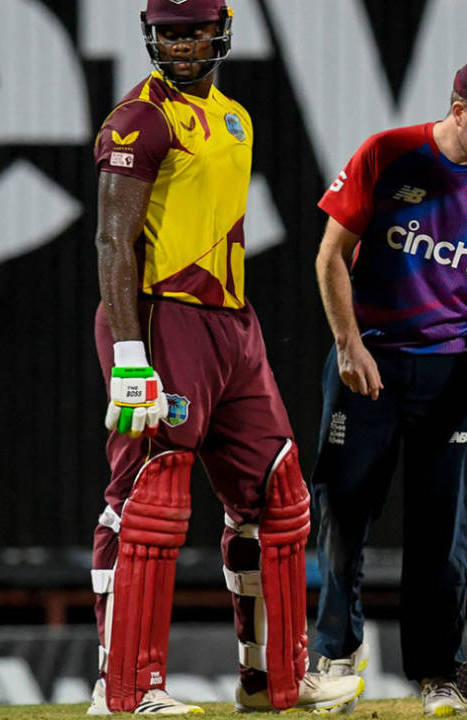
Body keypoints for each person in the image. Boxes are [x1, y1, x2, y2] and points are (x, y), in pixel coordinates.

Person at [88, 0, 363, 714]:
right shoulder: (139, 119)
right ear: (151, 34)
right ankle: (125, 689)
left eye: (194, 30)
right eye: (169, 31)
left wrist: (233, 332)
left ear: (222, 28)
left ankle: (273, 680)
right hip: (159, 318)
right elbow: (113, 242)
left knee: (279, 495)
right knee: (149, 501)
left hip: (233, 326)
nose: (181, 45)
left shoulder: (236, 118)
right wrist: (126, 353)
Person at [311, 57, 467, 716]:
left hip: (453, 371)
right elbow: (330, 255)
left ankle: (438, 674)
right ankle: (334, 657)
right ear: (459, 109)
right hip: (370, 364)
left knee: (442, 528)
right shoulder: (388, 154)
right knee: (344, 511)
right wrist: (348, 343)